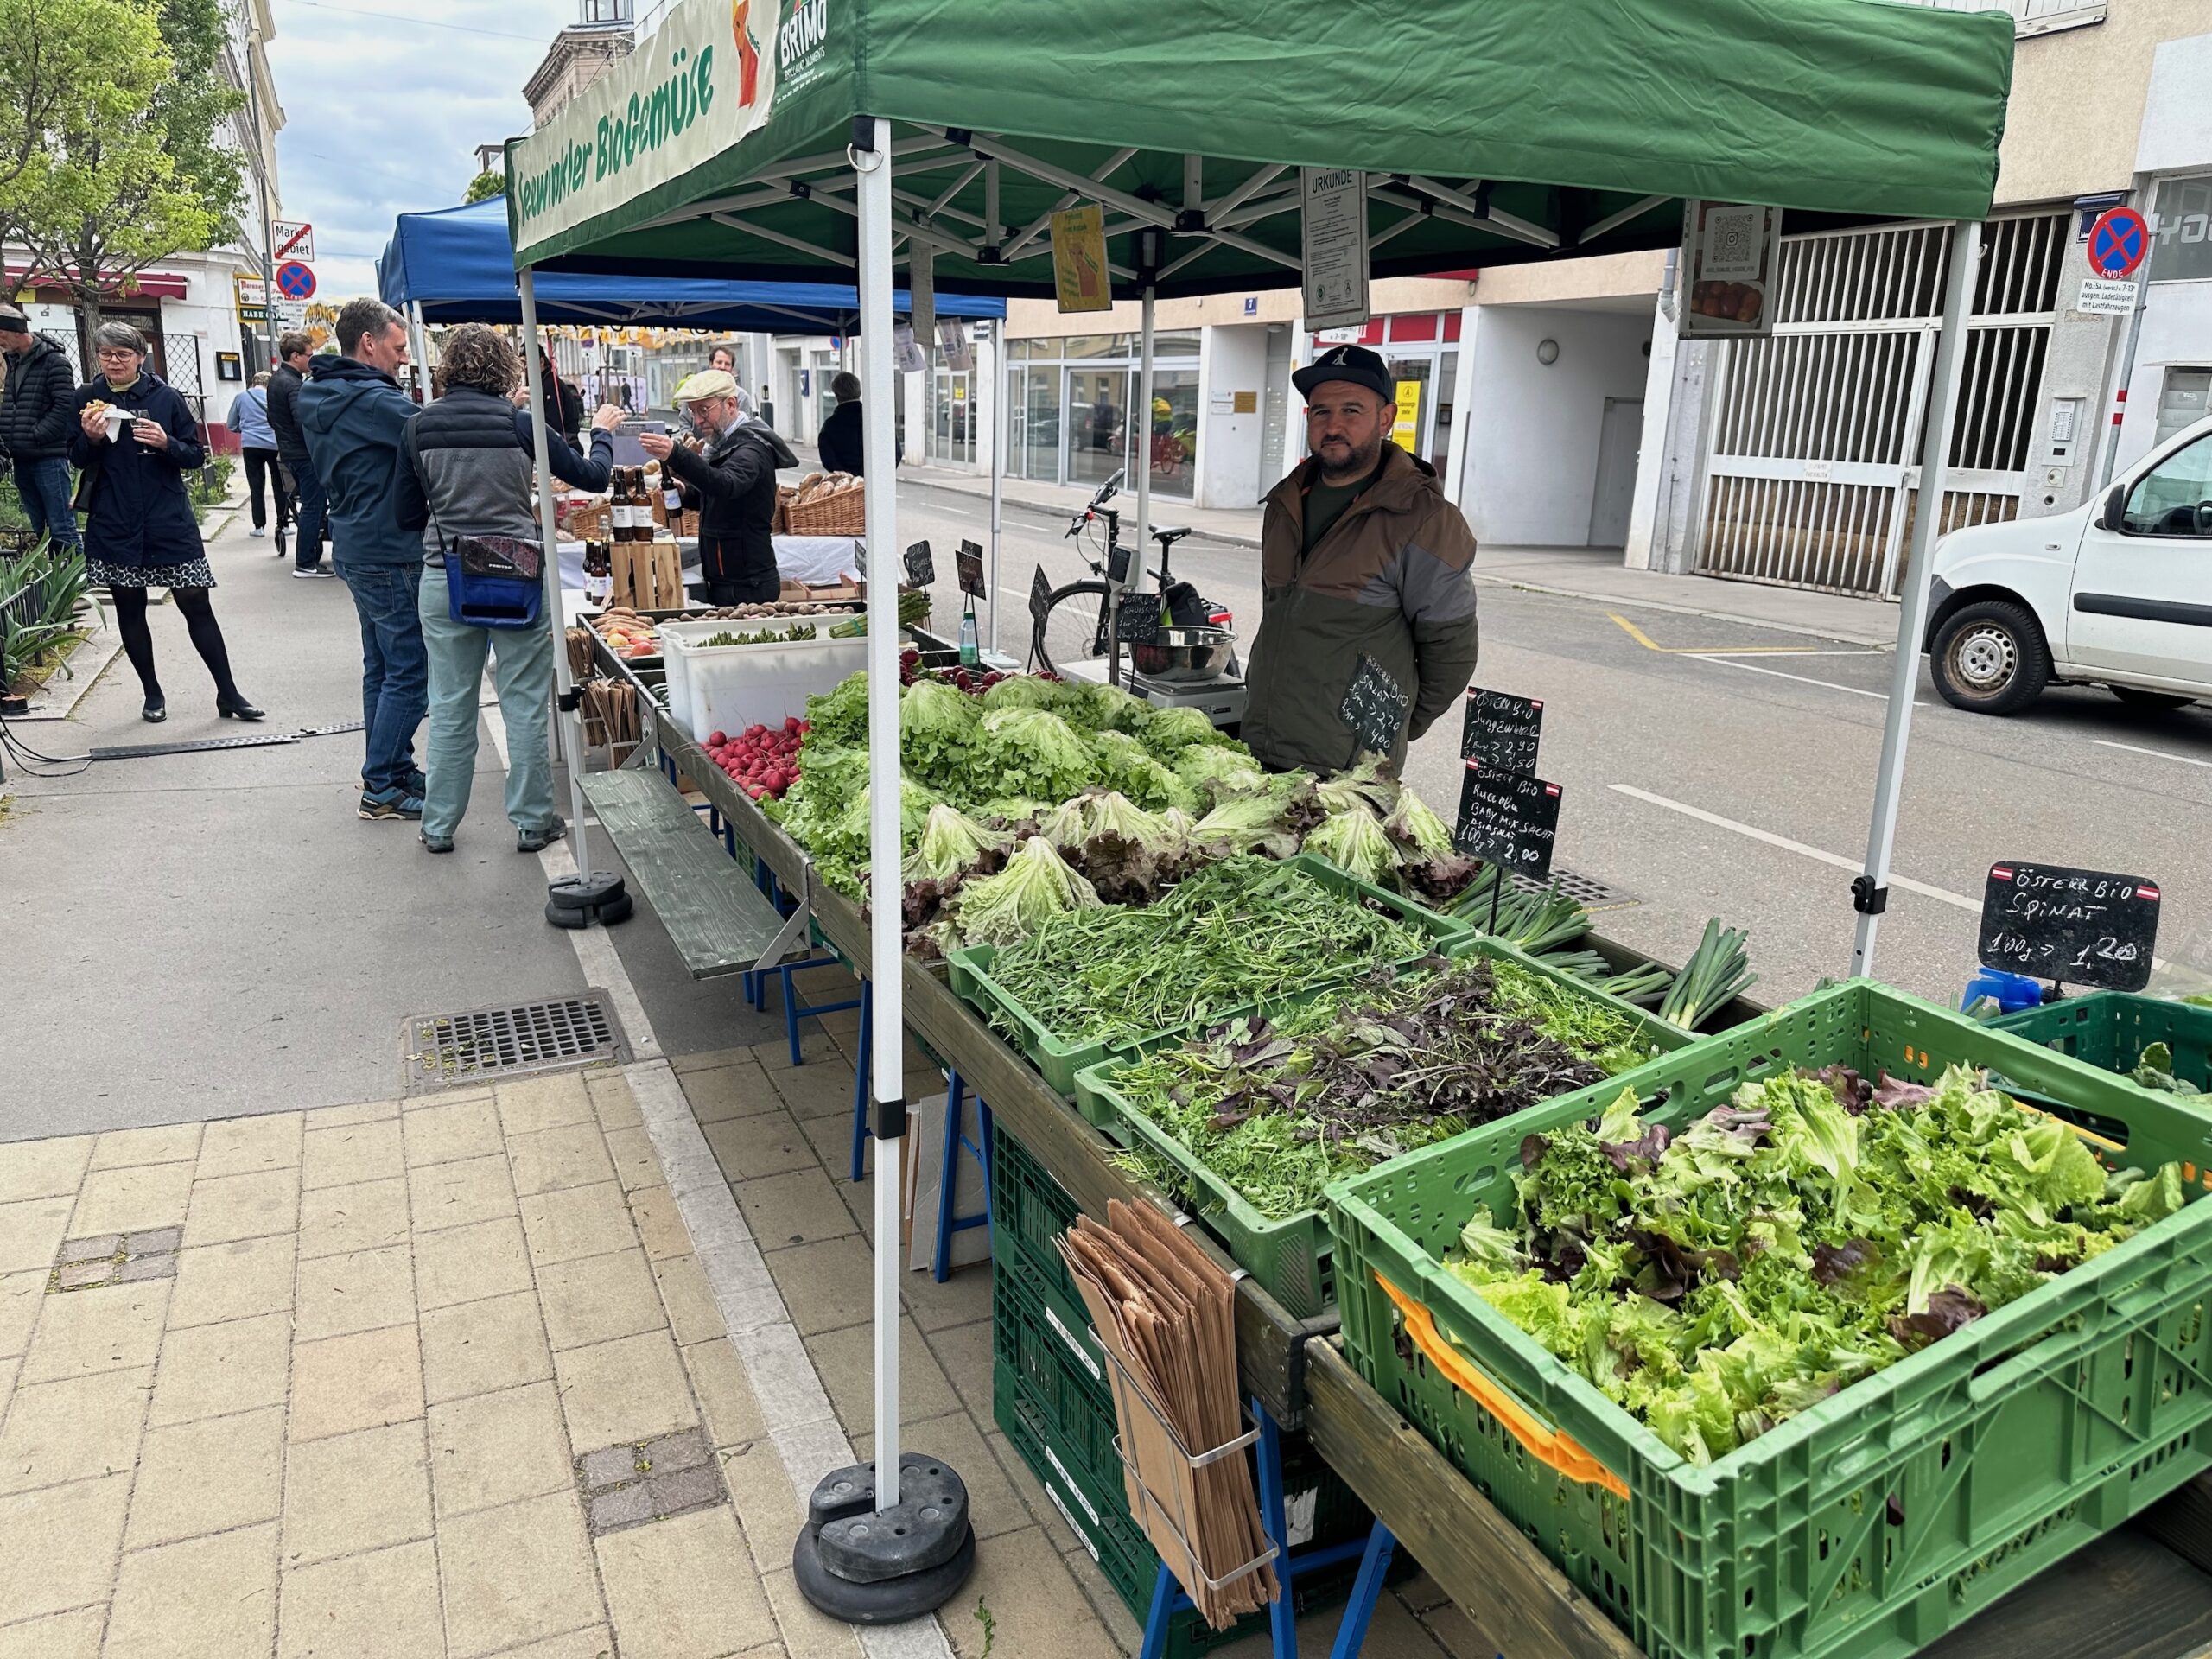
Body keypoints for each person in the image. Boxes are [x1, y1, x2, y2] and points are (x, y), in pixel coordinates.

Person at [393, 325, 624, 855]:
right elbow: (593, 477)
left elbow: (406, 515)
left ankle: (439, 826)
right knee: (522, 703)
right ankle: (532, 821)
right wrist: (604, 432)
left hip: (444, 574)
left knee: (450, 703)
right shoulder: (521, 425)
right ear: (504, 368)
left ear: (449, 366)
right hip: (517, 576)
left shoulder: (417, 428)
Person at [1243, 344, 1478, 774]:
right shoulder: (1285, 504)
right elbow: (1279, 616)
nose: (1333, 426)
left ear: (1385, 419)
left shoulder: (1425, 520)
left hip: (1347, 772)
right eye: (1321, 412)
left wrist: (1387, 728)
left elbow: (1452, 653)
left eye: (1352, 410)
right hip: (1261, 746)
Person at [68, 321, 262, 724]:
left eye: (122, 354)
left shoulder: (165, 398)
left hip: (167, 517)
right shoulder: (88, 399)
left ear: (141, 357)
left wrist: (166, 443)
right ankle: (152, 693)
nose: (114, 361)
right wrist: (89, 438)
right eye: (105, 354)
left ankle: (228, 693)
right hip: (115, 517)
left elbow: (195, 455)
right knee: (130, 606)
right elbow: (76, 459)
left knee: (195, 601)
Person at [300, 297, 428, 822]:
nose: (403, 359)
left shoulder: (320, 393)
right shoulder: (373, 402)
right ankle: (381, 785)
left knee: (381, 667)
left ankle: (391, 765)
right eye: (398, 349)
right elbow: (434, 433)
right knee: (411, 670)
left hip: (355, 541)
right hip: (390, 547)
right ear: (369, 344)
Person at [639, 368, 795, 606]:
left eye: (704, 410)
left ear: (731, 405)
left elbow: (725, 485)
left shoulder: (750, 450)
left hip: (747, 587)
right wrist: (687, 493)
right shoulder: (727, 444)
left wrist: (676, 454)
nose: (698, 421)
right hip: (731, 582)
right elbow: (720, 496)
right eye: (693, 412)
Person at [0, 307, 81, 554]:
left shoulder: (54, 360)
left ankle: (77, 581)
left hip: (48, 457)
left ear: (10, 332)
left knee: (61, 525)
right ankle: (56, 583)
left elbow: (65, 405)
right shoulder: (14, 361)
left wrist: (36, 435)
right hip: (22, 456)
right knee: (40, 527)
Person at [264, 331, 326, 571]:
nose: (312, 360)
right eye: (309, 355)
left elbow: (272, 418)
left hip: (288, 451)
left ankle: (307, 559)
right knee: (314, 505)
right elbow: (302, 422)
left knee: (310, 505)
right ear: (295, 356)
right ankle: (306, 563)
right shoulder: (293, 384)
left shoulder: (276, 380)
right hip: (303, 453)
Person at [232, 371, 290, 542]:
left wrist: (247, 430)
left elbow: (231, 424)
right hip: (274, 444)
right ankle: (284, 524)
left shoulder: (241, 397)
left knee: (256, 485)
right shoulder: (274, 398)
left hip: (251, 446)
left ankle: (259, 527)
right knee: (279, 483)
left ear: (253, 382)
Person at [815, 370, 870, 476]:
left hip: (846, 488)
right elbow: (896, 452)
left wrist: (848, 477)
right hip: (878, 483)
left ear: (837, 395)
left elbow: (828, 461)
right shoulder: (873, 420)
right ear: (859, 391)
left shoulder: (830, 426)